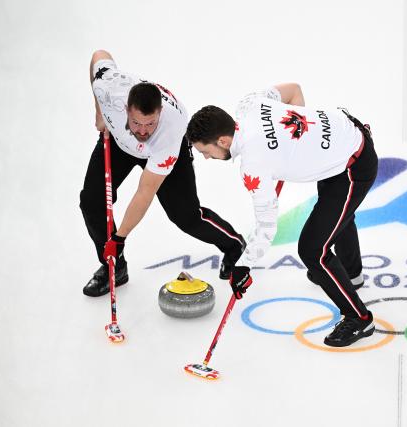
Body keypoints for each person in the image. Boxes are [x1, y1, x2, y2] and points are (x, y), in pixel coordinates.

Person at [185, 83, 378, 347]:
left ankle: (359, 318)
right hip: (339, 150)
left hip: (353, 166)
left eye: (206, 152)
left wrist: (244, 264)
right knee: (338, 216)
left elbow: (266, 228)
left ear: (223, 141)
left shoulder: (254, 165)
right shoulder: (249, 104)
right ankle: (351, 274)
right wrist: (297, 141)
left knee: (313, 250)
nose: (207, 158)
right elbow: (292, 90)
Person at [80, 50, 245, 297]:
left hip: (164, 150)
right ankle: (114, 268)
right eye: (137, 123)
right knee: (92, 202)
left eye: (150, 123)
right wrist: (99, 112)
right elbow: (98, 56)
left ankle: (234, 245)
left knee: (185, 216)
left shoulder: (171, 128)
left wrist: (119, 238)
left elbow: (145, 191)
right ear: (126, 109)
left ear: (160, 114)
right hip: (119, 143)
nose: (143, 131)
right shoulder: (109, 88)